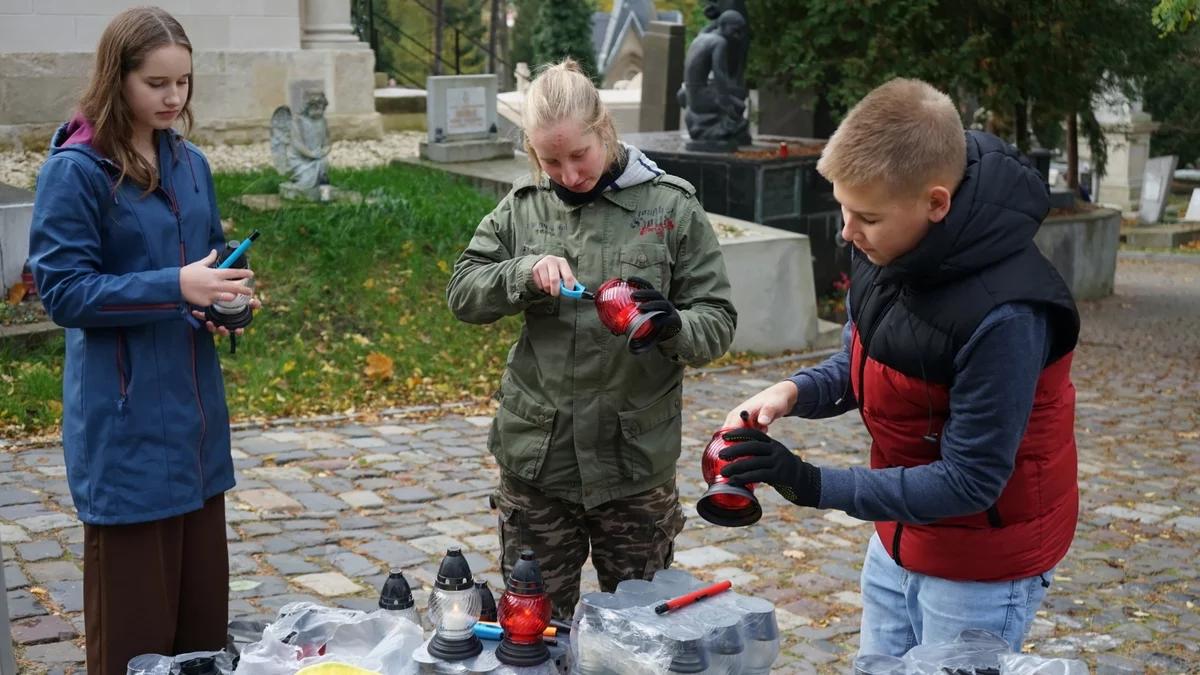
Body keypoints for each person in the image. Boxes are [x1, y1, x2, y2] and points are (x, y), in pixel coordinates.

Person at [718, 78, 1080, 656]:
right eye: (842, 209)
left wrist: (810, 482)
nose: (846, 231)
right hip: (900, 535)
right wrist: (791, 391)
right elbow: (866, 358)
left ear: (936, 202)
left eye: (865, 216)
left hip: (982, 560)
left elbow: (971, 481)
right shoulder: (887, 244)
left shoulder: (1008, 316)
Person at [447, 58, 737, 620]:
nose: (569, 173)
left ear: (604, 128)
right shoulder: (522, 209)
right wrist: (522, 273)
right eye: (549, 160)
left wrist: (673, 325)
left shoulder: (670, 206)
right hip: (539, 466)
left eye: (578, 155)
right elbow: (463, 292)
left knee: (643, 635)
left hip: (633, 468)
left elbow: (718, 321)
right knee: (536, 632)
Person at [27, 7, 256, 673]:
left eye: (183, 82)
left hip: (196, 431)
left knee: (202, 638)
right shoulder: (75, 171)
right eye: (157, 82)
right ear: (116, 76)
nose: (173, 98)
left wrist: (227, 303)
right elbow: (65, 290)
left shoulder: (193, 165)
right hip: (124, 434)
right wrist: (175, 285)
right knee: (134, 646)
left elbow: (204, 271)